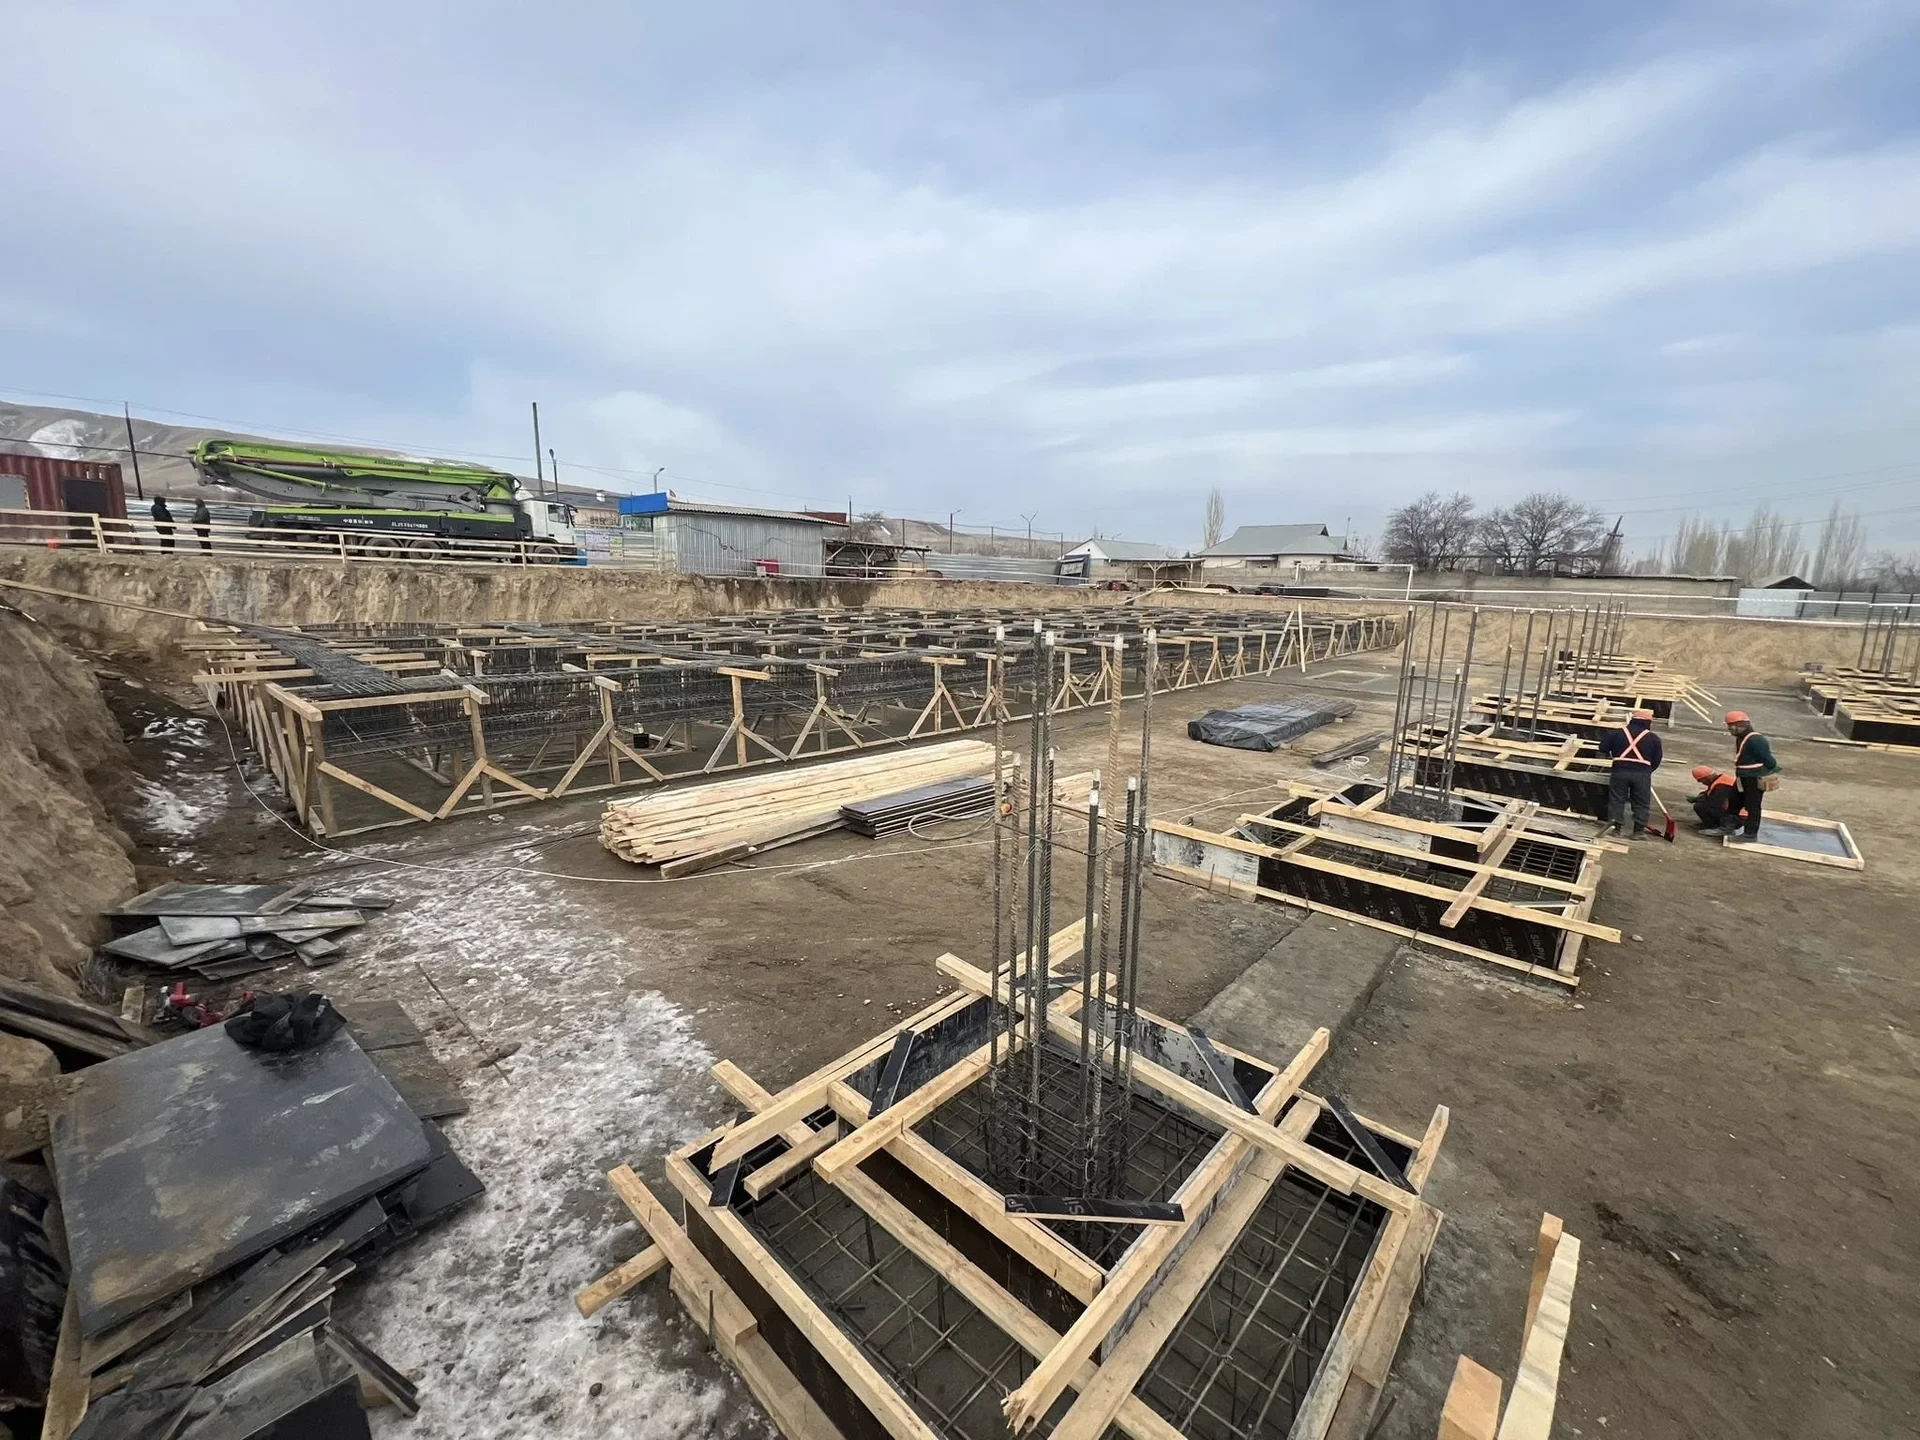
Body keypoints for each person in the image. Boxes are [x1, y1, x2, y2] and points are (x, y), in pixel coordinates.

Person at [1597, 707, 1663, 839]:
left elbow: (1602, 749)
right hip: (1642, 774)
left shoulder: (1616, 733)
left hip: (1620, 771)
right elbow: (1657, 759)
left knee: (1617, 800)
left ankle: (1615, 829)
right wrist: (1647, 771)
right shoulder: (1653, 738)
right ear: (1648, 723)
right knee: (1641, 802)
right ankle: (1638, 832)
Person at [1724, 711, 1780, 844]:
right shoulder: (1742, 737)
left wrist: (1770, 770)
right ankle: (1728, 826)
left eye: (1731, 727)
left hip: (1753, 778)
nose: (1729, 730)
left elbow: (1769, 761)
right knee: (1734, 800)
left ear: (1740, 725)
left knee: (1753, 806)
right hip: (1743, 776)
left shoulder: (1756, 740)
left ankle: (1750, 834)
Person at [1688, 764, 1743, 834]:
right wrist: (1699, 797)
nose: (1702, 783)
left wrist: (1699, 799)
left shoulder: (1721, 786)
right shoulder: (1721, 780)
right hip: (1741, 813)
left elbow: (1716, 804)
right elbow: (1709, 793)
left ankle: (1721, 827)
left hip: (1739, 817)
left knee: (1700, 806)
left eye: (1701, 781)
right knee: (1703, 805)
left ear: (1706, 778)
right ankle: (1713, 824)